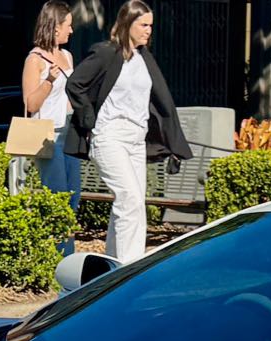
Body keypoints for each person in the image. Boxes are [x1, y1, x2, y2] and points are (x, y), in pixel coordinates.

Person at [64, 0, 191, 264]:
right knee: (129, 200)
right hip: (110, 136)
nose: (148, 31)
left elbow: (161, 102)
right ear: (127, 24)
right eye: (143, 25)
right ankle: (129, 267)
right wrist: (89, 120)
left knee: (132, 204)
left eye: (151, 26)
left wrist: (173, 144)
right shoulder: (107, 53)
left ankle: (113, 266)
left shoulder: (145, 59)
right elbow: (75, 84)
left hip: (136, 140)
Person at [22, 0, 80, 254]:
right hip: (47, 136)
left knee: (73, 198)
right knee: (57, 197)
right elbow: (31, 104)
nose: (72, 30)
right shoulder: (34, 59)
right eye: (68, 25)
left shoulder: (67, 56)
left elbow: (70, 99)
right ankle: (58, 259)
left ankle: (67, 255)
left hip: (70, 134)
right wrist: (48, 81)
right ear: (55, 27)